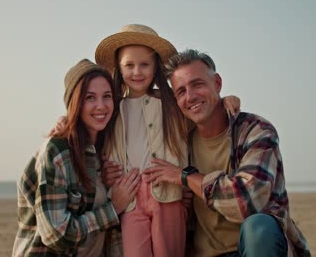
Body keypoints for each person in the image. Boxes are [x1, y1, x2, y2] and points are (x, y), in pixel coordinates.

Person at [143, 49, 311, 257]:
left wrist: (185, 176)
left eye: (198, 84)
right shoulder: (180, 143)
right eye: (181, 91)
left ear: (218, 83)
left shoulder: (255, 131)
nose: (191, 96)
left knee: (259, 226)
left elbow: (247, 200)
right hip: (205, 253)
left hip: (254, 249)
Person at [95, 24, 240, 257]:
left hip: (169, 195)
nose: (137, 72)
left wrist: (225, 100)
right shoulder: (112, 108)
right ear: (119, 69)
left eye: (145, 64)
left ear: (156, 68)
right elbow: (93, 136)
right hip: (130, 198)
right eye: (129, 65)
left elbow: (200, 111)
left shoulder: (172, 104)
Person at [12, 59, 141, 256]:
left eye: (107, 96)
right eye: (90, 97)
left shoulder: (107, 148)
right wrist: (113, 208)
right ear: (75, 103)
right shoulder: (58, 151)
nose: (101, 106)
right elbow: (56, 235)